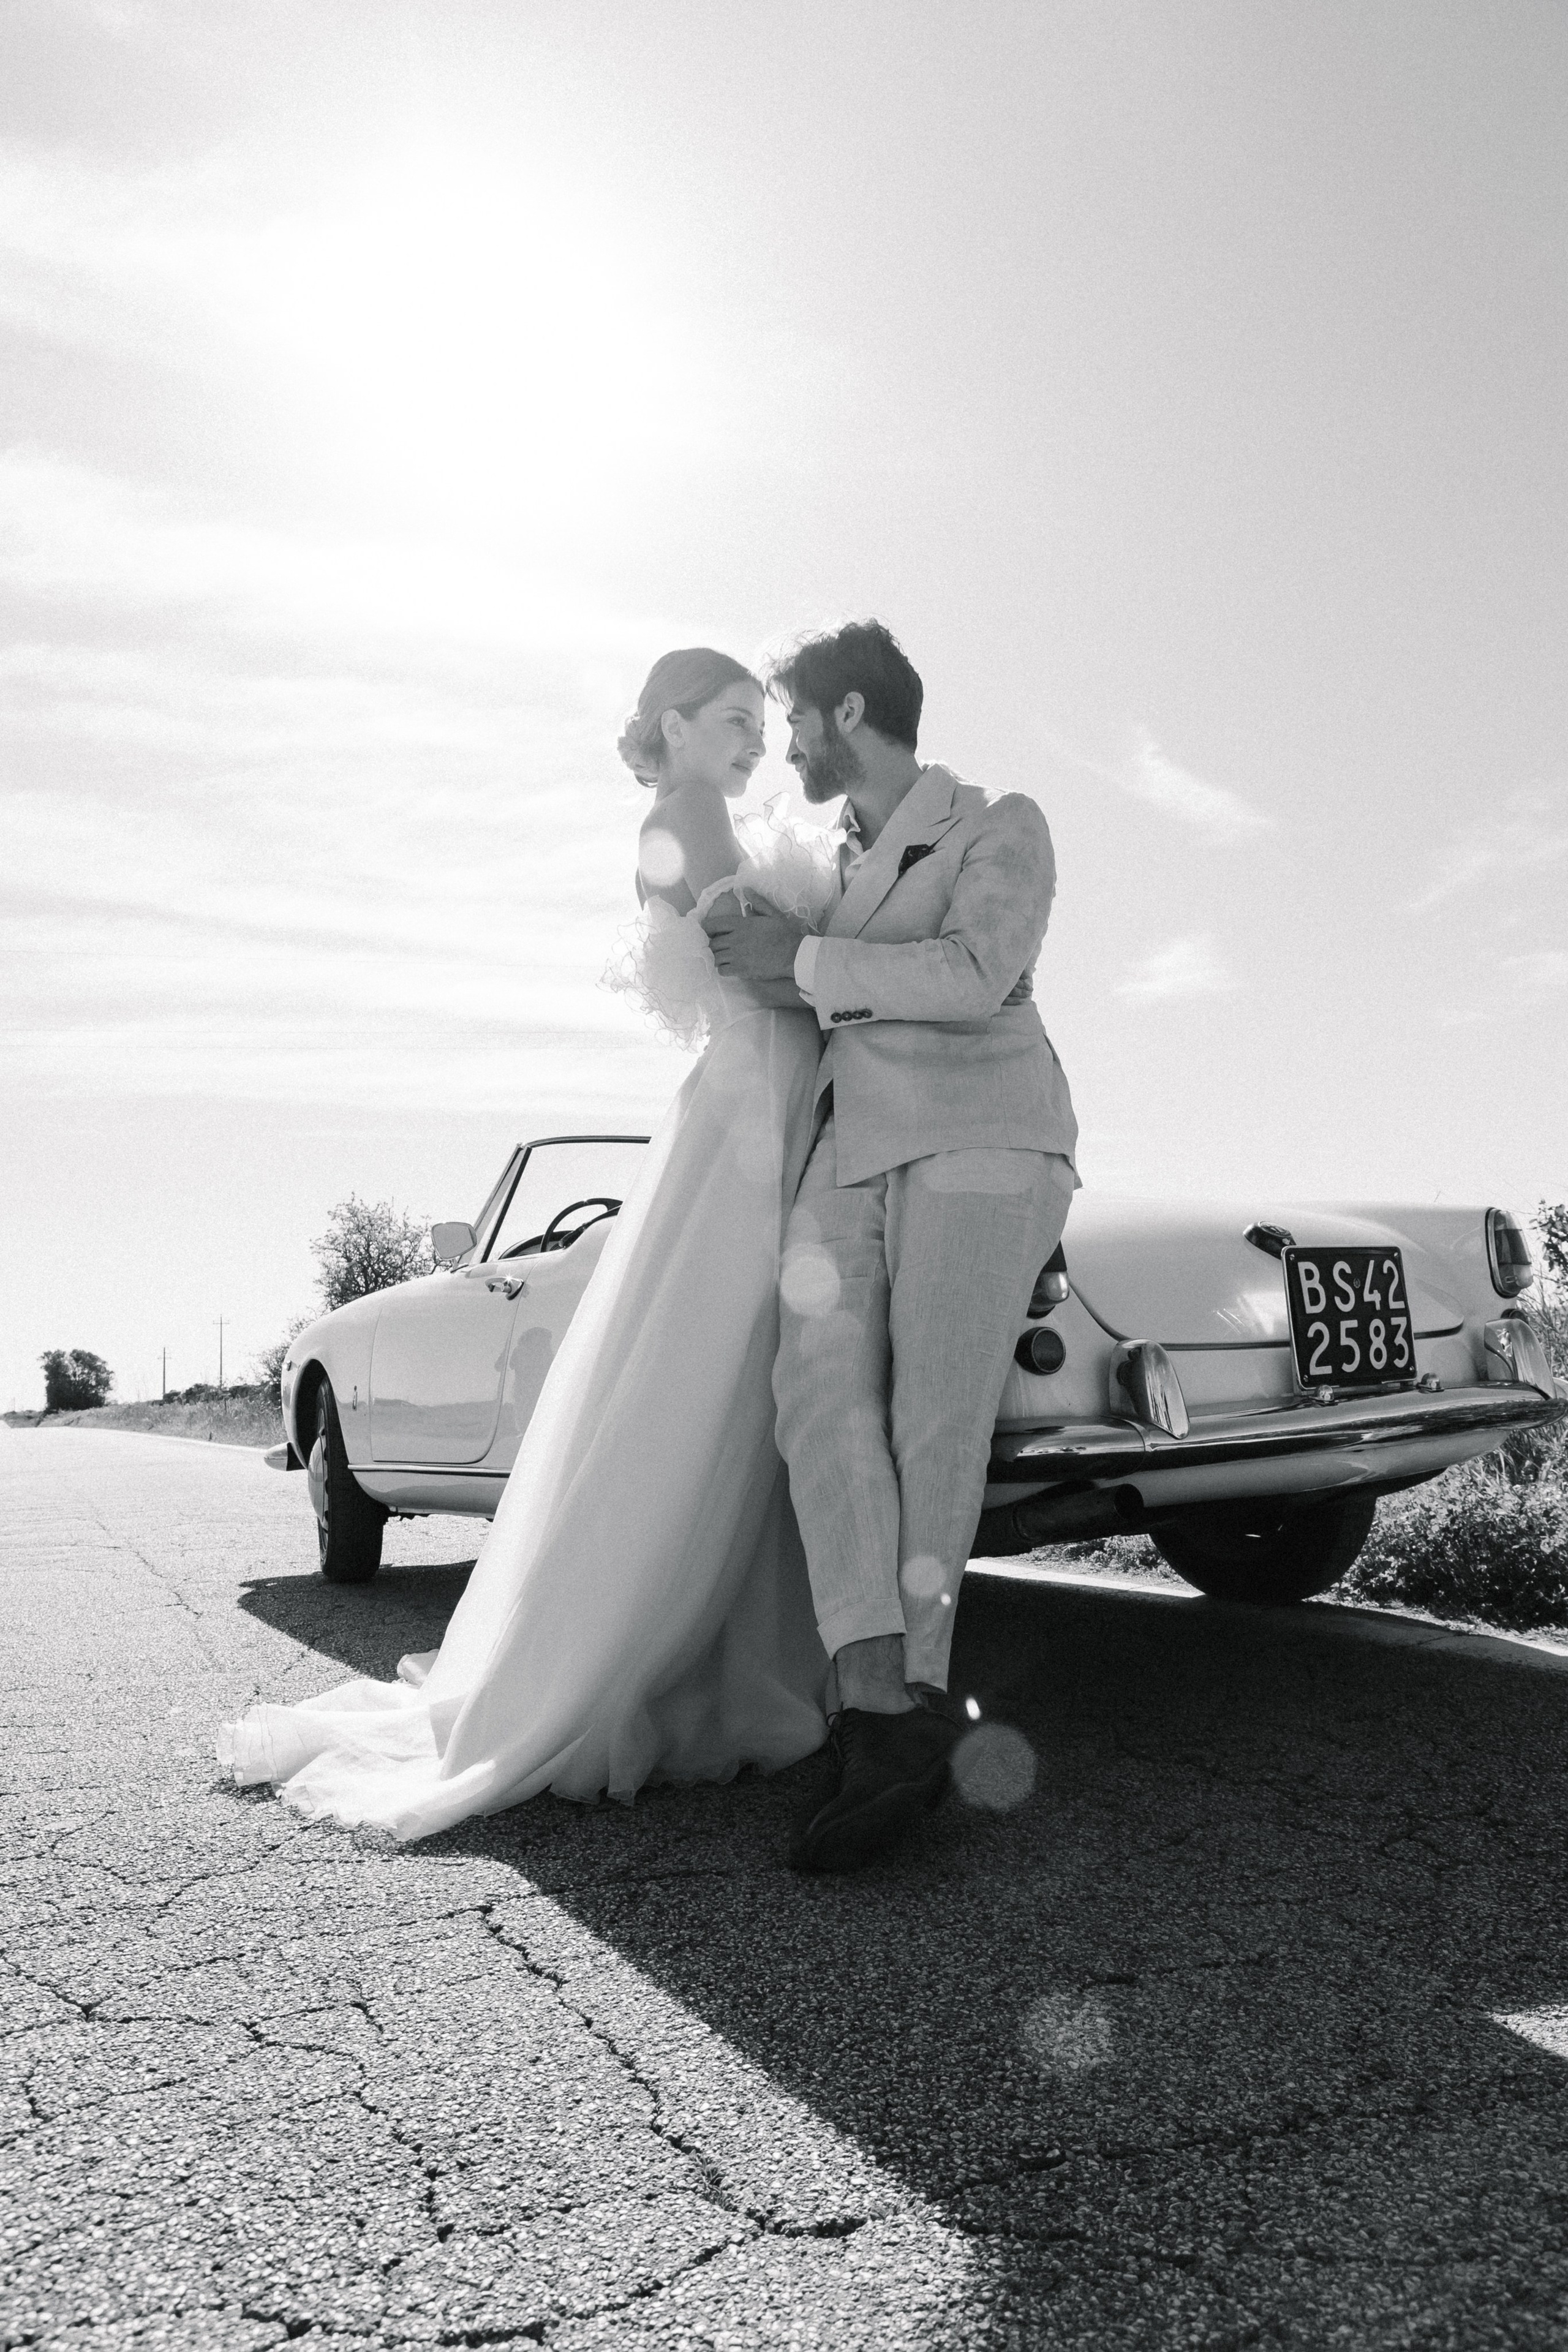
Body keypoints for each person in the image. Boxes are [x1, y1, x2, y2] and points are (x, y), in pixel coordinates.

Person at [217, 649, 835, 1839]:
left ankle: (672, 1642)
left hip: (752, 1100)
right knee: (719, 1385)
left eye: (760, 721)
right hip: (758, 1098)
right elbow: (762, 953)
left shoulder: (685, 808)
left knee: (710, 1388)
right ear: (672, 725)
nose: (753, 739)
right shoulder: (692, 810)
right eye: (729, 718)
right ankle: (643, 1660)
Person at [704, 620, 1078, 1871]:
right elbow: (799, 981)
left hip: (981, 1141)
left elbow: (976, 972)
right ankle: (873, 1696)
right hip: (843, 1153)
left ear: (848, 713)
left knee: (932, 1418)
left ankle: (897, 1713)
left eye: (795, 720)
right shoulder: (831, 863)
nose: (789, 745)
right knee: (811, 1399)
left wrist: (802, 959)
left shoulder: (995, 824)